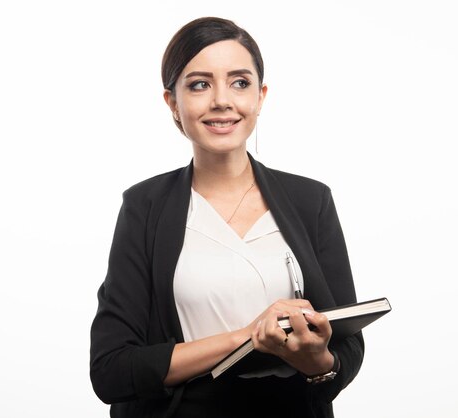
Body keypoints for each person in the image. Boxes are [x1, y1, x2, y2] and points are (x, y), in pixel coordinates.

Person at [90, 16, 364, 418]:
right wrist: (250, 338)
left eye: (240, 82)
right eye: (200, 84)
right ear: (173, 103)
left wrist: (317, 361)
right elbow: (112, 370)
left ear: (260, 96)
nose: (222, 100)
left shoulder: (311, 201)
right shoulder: (144, 207)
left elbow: (347, 351)